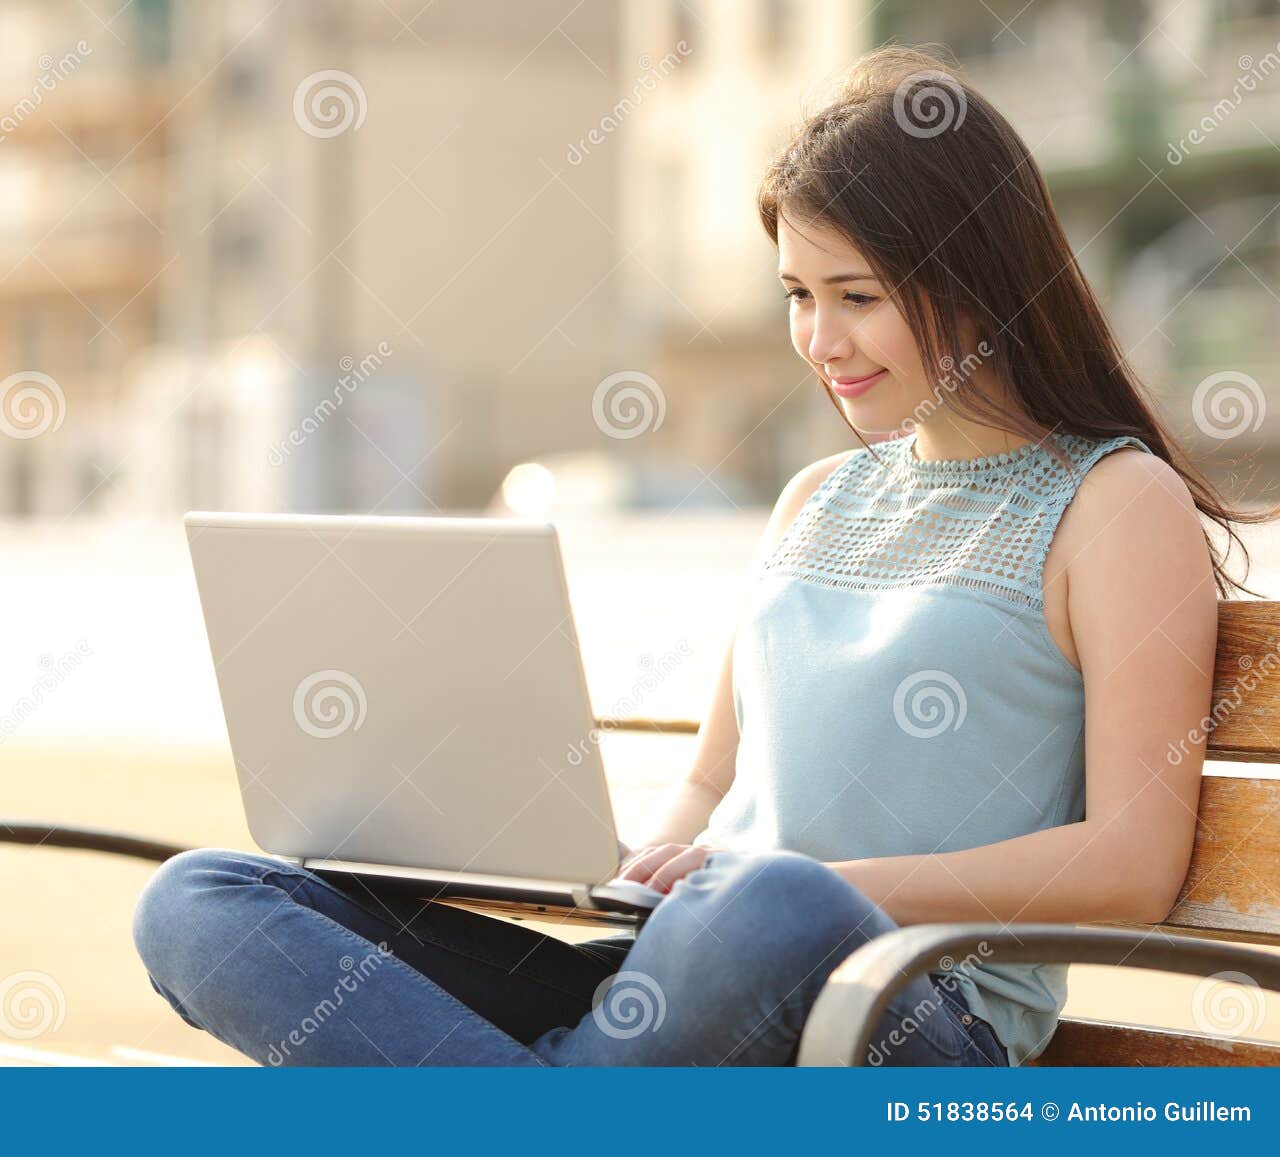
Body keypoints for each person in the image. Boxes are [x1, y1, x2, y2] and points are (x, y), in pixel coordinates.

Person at [132, 44, 1265, 1066]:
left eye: (856, 297)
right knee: (202, 900)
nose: (821, 342)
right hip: (680, 971)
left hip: (898, 1006)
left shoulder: (1114, 503)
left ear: (973, 278)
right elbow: (712, 784)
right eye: (797, 297)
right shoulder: (814, 498)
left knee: (774, 906)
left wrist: (815, 889)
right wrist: (627, 867)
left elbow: (1129, 857)